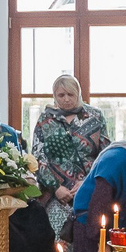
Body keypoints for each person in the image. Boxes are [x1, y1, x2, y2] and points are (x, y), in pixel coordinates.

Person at [33, 73, 111, 239]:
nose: (66, 99)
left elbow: (106, 155)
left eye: (70, 94)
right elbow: (38, 157)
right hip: (56, 197)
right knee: (56, 247)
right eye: (61, 95)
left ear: (78, 94)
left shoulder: (95, 117)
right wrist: (56, 188)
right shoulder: (45, 119)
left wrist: (87, 183)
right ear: (54, 96)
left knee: (86, 246)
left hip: (89, 191)